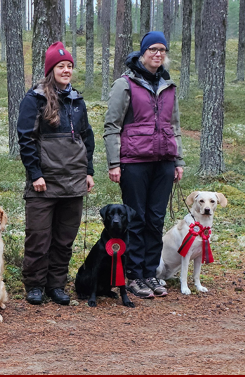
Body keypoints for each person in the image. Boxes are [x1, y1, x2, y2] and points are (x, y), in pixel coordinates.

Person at [103, 31, 185, 299]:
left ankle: (151, 272)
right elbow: (112, 126)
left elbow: (174, 127)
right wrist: (114, 163)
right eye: (153, 49)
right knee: (135, 221)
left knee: (156, 219)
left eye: (162, 50)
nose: (158, 54)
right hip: (134, 162)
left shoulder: (168, 86)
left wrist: (178, 160)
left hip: (163, 162)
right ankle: (134, 276)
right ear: (142, 53)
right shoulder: (125, 84)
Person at [17, 42, 95, 306]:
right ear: (51, 70)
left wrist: (89, 171)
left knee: (64, 239)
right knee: (39, 237)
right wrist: (35, 173)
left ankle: (57, 284)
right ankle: (35, 285)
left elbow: (87, 137)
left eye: (69, 66)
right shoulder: (34, 99)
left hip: (74, 181)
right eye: (61, 66)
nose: (66, 70)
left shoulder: (77, 100)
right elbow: (26, 139)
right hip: (44, 182)